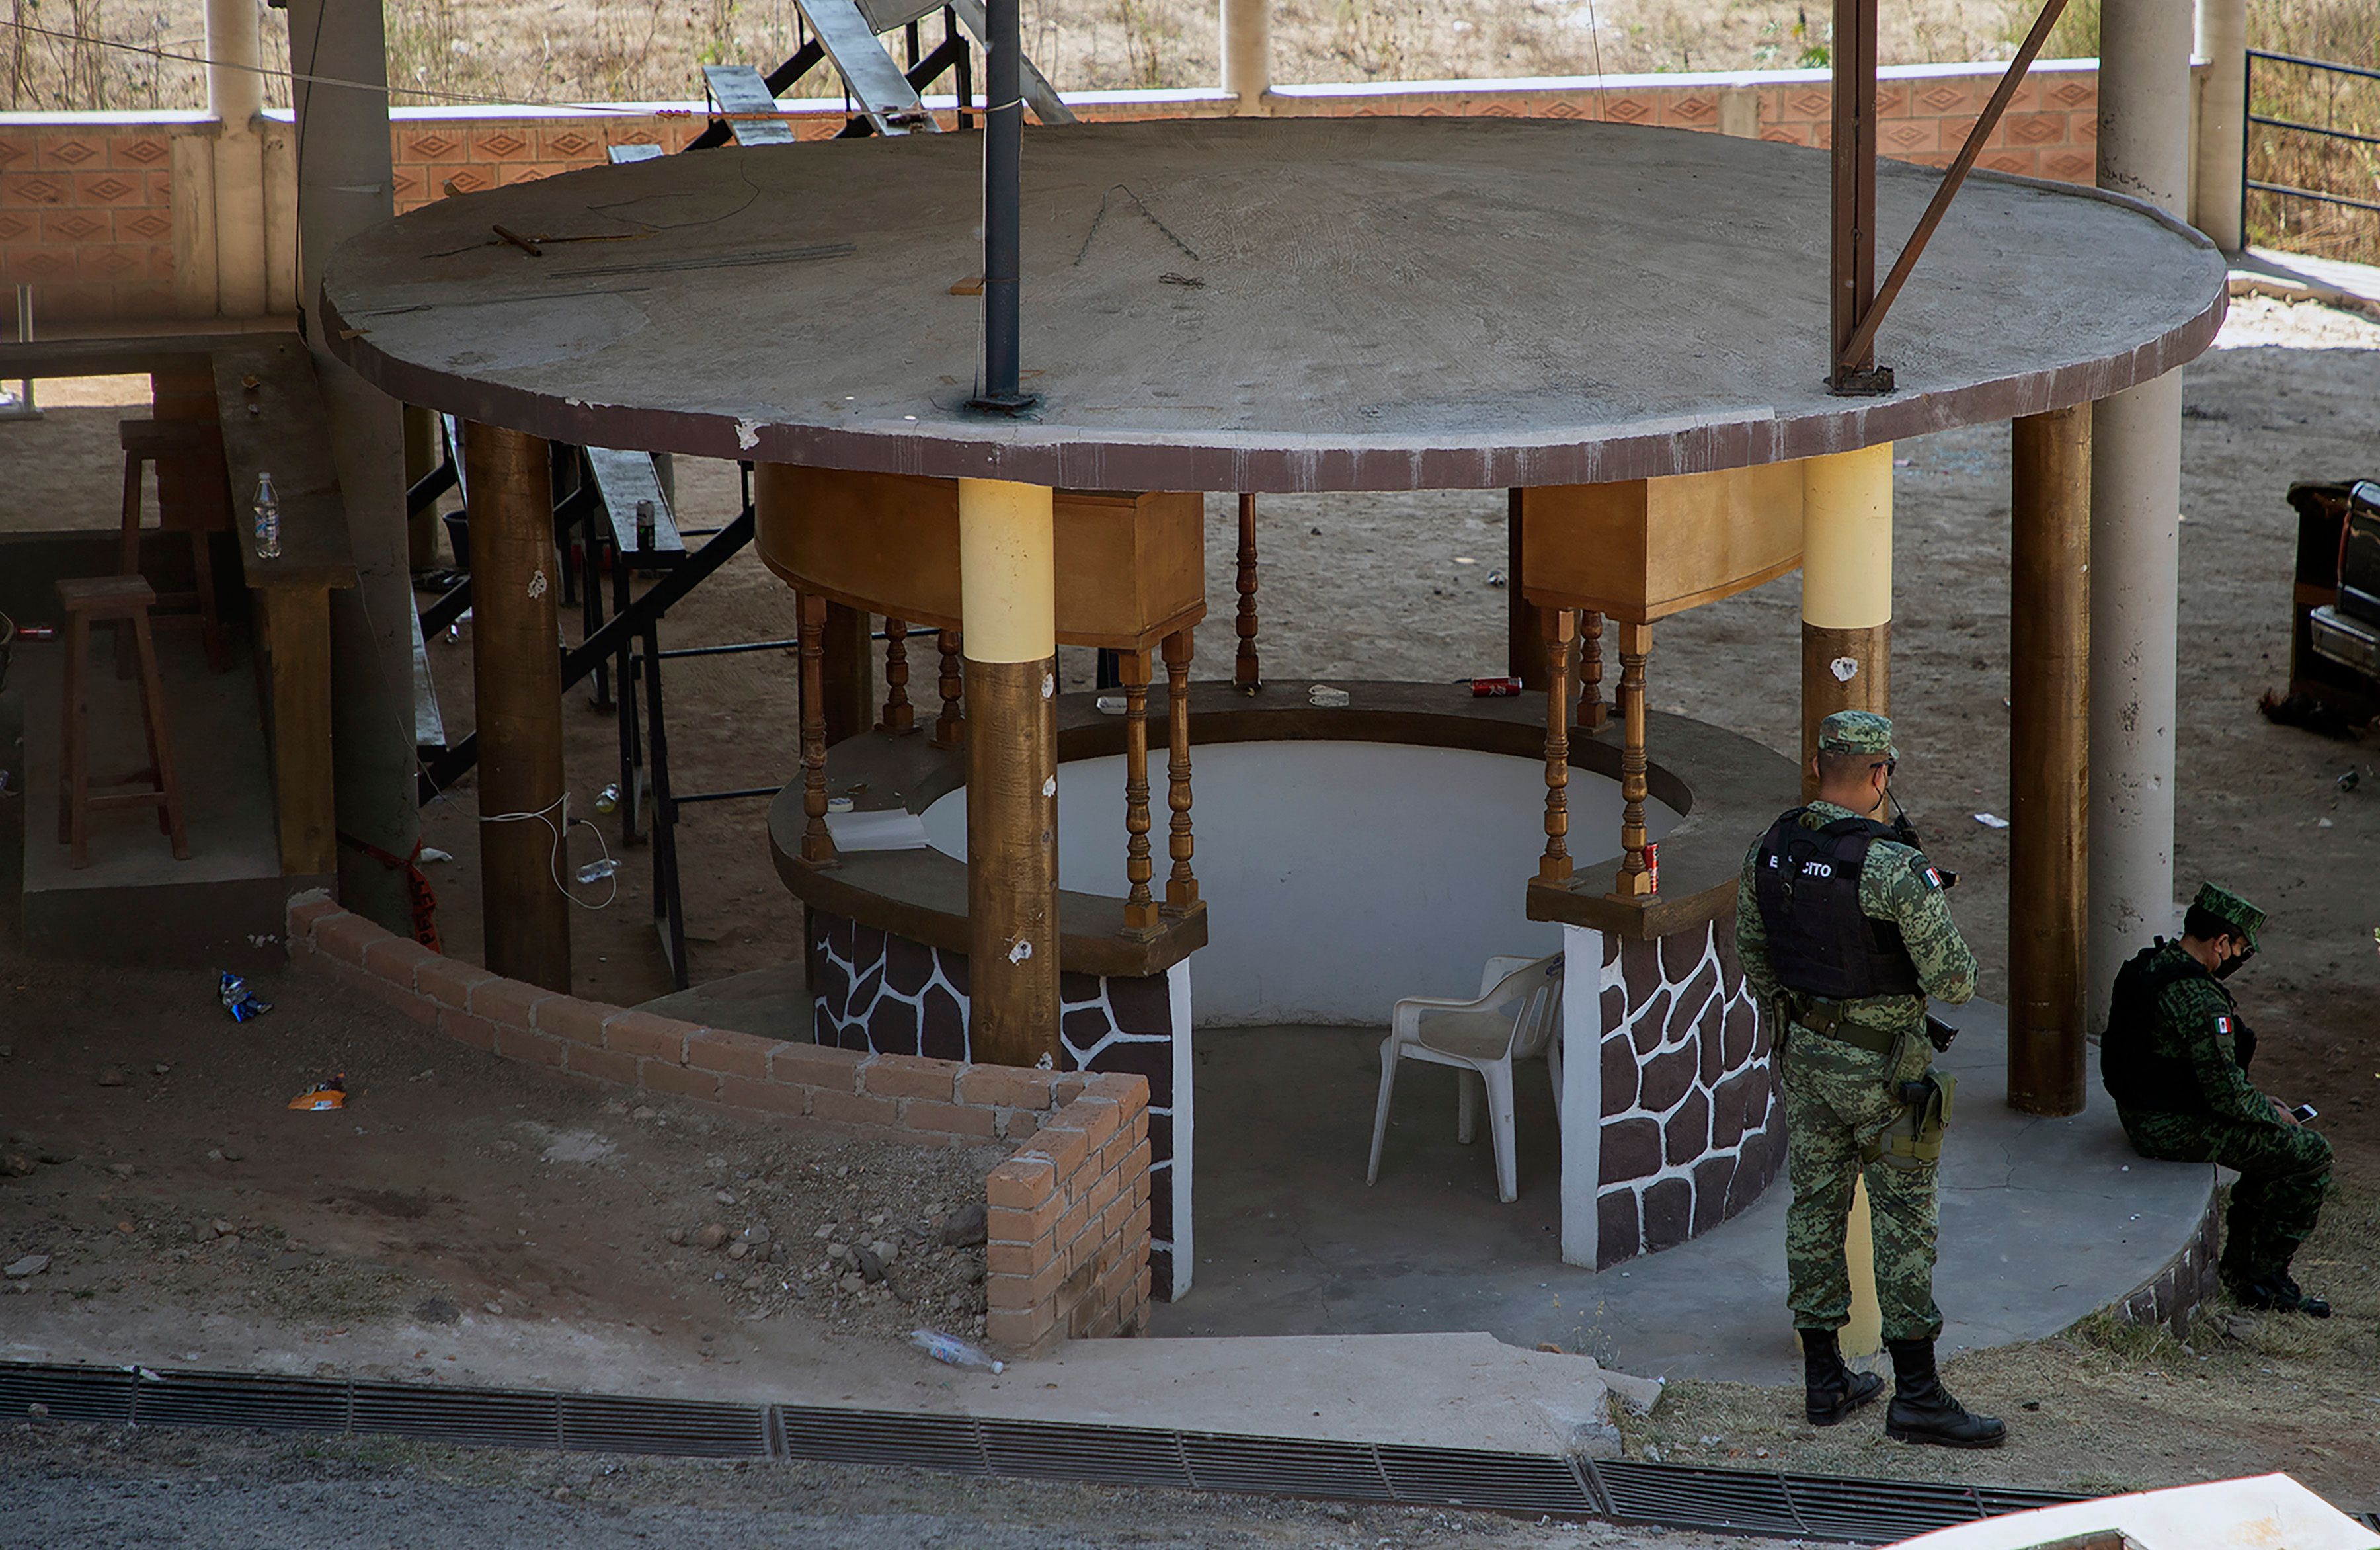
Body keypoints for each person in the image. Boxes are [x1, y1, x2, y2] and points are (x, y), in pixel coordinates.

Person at [1737, 710, 2004, 1449]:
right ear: (1880, 774)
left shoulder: (1772, 848)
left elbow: (1752, 954)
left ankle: (1826, 1381)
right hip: (1888, 1075)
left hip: (1807, 1060)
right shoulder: (1893, 866)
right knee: (1904, 1226)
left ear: (1820, 764)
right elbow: (1955, 979)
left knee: (1815, 1209)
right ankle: (1917, 1394)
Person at [2104, 883, 2334, 1317]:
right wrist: (2274, 1114)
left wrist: (2260, 1104)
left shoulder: (2151, 964)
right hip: (2167, 1126)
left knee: (2267, 1143)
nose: (2239, 959)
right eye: (2240, 948)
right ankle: (2263, 1280)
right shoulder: (2201, 1001)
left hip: (2144, 1111)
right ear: (2221, 942)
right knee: (2311, 1155)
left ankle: (2243, 1268)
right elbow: (2227, 1094)